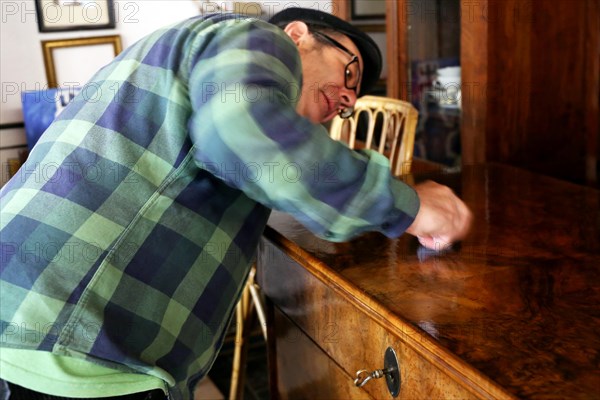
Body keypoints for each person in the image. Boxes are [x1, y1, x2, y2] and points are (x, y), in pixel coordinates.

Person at [0, 7, 471, 400]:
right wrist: (408, 206)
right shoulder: (257, 38)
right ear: (298, 35)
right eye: (349, 71)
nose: (347, 97)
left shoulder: (178, 53)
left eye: (351, 101)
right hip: (68, 339)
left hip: (34, 323)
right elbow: (241, 131)